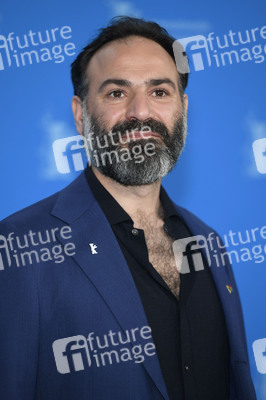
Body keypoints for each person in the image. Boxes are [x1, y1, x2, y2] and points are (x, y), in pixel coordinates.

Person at [0, 16, 256, 400]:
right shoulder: (21, 246)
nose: (141, 112)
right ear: (80, 113)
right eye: (117, 93)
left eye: (160, 92)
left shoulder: (209, 243)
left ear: (182, 109)